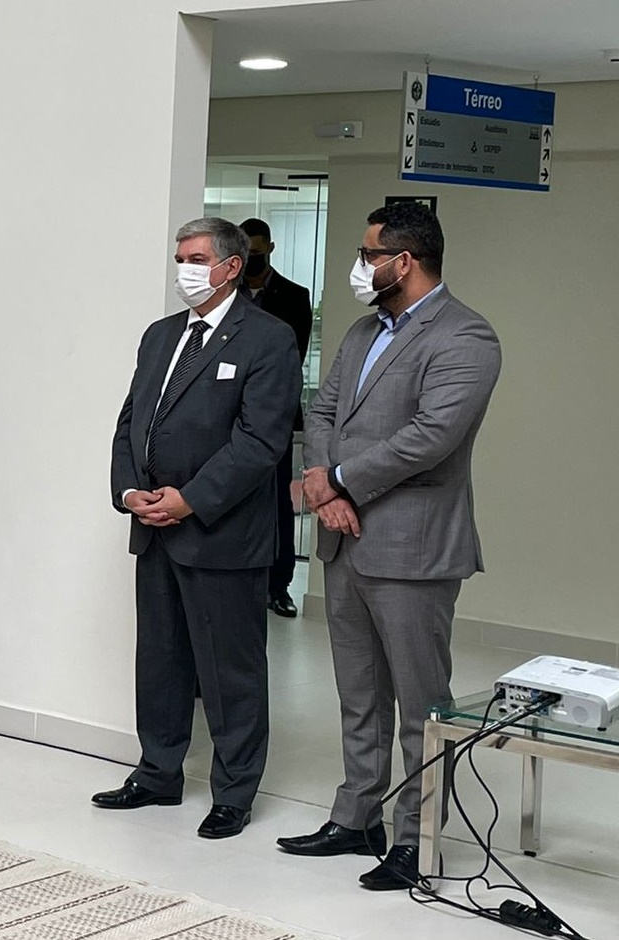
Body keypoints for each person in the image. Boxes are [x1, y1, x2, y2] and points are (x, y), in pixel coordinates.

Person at [276, 201, 500, 890]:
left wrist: (338, 480)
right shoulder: (360, 329)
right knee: (359, 696)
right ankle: (356, 817)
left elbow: (431, 437)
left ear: (404, 260)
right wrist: (324, 486)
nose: (361, 265)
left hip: (412, 551)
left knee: (421, 707)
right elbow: (323, 409)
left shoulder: (466, 337)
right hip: (347, 544)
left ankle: (418, 840)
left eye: (369, 254)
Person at [95, 217, 300, 838]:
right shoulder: (160, 337)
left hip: (221, 534)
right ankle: (157, 774)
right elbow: (133, 422)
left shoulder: (268, 339)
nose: (183, 267)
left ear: (231, 266)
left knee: (229, 670)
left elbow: (261, 441)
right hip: (153, 527)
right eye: (179, 256)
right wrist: (130, 490)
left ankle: (234, 792)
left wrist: (188, 499)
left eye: (195, 257)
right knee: (159, 662)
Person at [239, 218, 313, 618]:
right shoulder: (226, 294)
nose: (251, 257)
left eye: (257, 250)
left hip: (277, 417)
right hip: (228, 417)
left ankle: (279, 584)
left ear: (270, 247)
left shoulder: (294, 296)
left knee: (279, 499)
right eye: (245, 250)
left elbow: (291, 361)